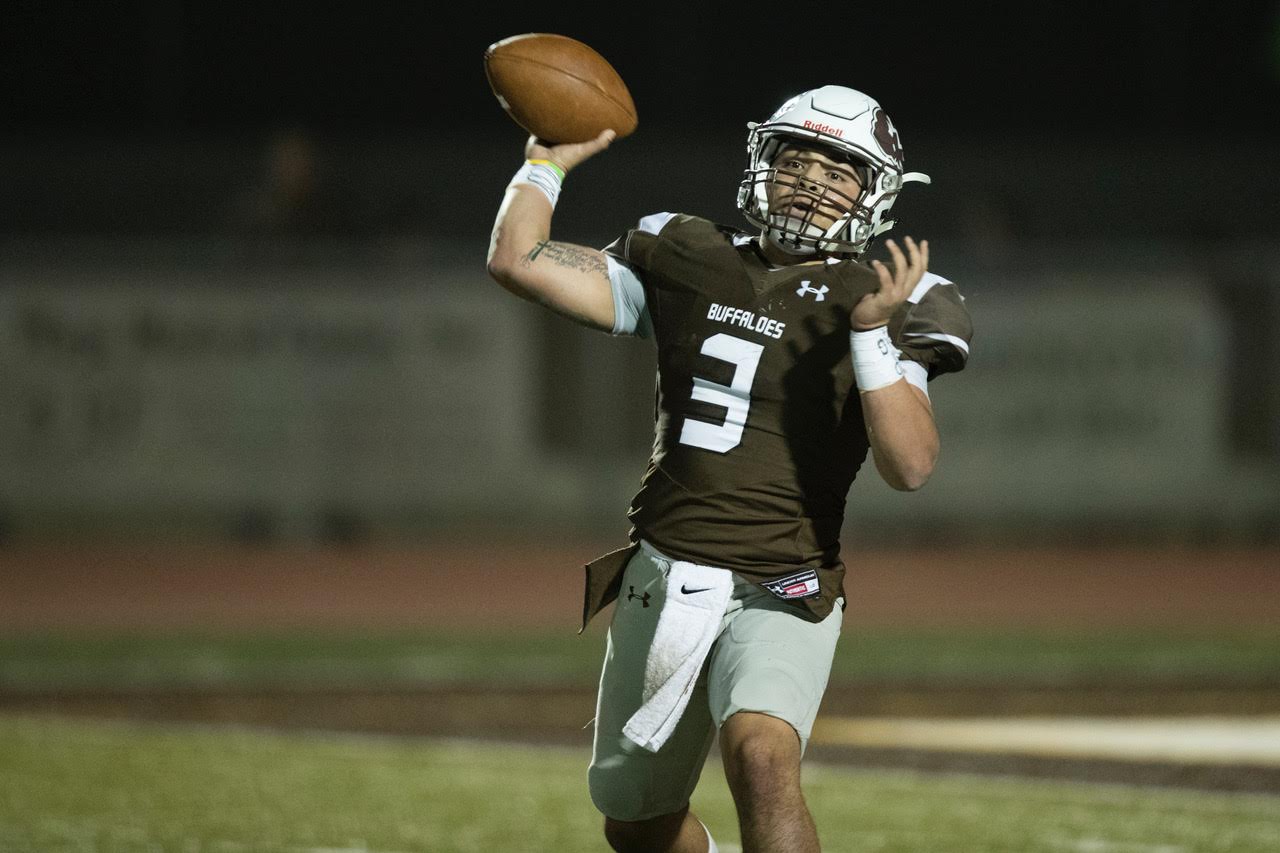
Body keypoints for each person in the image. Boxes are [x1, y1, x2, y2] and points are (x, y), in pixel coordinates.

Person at [487, 85, 971, 853]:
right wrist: (544, 162)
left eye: (839, 169)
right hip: (662, 572)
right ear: (760, 162)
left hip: (785, 582)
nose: (812, 180)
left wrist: (872, 336)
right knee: (635, 822)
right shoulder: (681, 249)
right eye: (797, 158)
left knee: (762, 756)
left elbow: (910, 465)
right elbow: (518, 260)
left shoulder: (903, 299)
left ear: (876, 190)